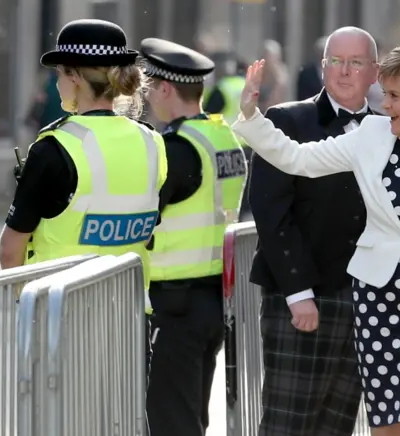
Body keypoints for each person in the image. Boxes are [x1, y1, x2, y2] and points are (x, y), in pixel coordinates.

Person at [234, 41, 400, 436]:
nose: (384, 104)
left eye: (394, 96)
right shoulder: (370, 135)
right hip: (377, 301)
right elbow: (296, 159)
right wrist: (251, 115)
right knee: (386, 427)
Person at [249, 26, 379, 436]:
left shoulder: (387, 129)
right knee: (288, 425)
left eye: (355, 62)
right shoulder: (287, 120)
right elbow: (271, 212)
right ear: (323, 68)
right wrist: (299, 292)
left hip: (359, 301)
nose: (344, 72)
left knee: (336, 426)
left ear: (374, 72)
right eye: (335, 62)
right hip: (299, 299)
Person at [0, 19, 166, 291]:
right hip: (129, 315)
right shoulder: (152, 142)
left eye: (59, 75)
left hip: (60, 319)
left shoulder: (54, 148)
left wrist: (25, 308)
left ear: (74, 75)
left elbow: (10, 251)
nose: (57, 83)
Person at [139, 37, 247, 436]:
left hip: (176, 304)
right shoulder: (223, 137)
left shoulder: (176, 149)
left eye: (149, 88)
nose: (147, 97)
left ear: (166, 88)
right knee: (192, 415)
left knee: (171, 420)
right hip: (214, 297)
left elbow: (143, 217)